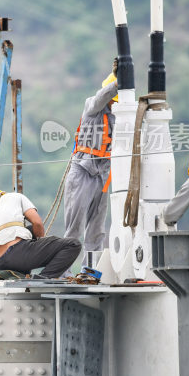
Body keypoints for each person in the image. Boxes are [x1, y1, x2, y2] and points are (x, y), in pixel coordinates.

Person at [63, 63, 118, 266]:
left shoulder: (120, 117)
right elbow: (101, 97)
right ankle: (65, 270)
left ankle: (90, 270)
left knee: (97, 229)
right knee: (74, 227)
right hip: (83, 170)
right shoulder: (93, 106)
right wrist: (118, 81)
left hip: (103, 175)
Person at [0, 188, 81, 280]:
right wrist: (40, 246)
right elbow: (38, 223)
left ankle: (26, 275)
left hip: (1, 263)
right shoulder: (15, 196)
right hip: (20, 253)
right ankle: (43, 279)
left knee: (28, 230)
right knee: (73, 244)